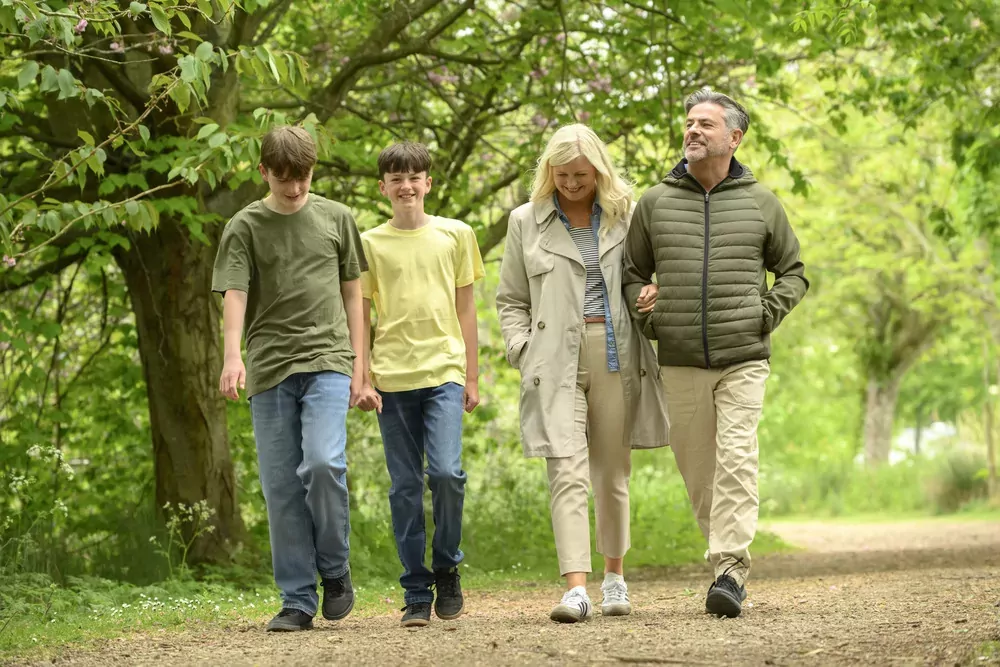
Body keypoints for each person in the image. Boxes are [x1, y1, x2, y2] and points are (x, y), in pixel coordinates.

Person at [624, 89, 809, 618]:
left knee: (736, 457)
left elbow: (794, 272)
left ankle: (729, 569)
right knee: (699, 470)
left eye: (705, 123)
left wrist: (764, 314)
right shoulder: (655, 203)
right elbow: (631, 273)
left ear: (735, 136)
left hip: (743, 356)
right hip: (679, 357)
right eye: (689, 123)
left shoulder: (761, 202)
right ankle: (724, 557)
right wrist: (647, 314)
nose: (693, 131)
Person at [496, 124, 670, 623]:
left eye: (581, 174)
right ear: (549, 173)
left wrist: (651, 297)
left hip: (616, 353)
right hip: (553, 360)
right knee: (565, 471)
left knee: (612, 474)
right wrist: (522, 349)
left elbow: (647, 276)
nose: (571, 183)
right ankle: (576, 587)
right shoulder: (525, 221)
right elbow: (510, 299)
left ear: (599, 171)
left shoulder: (627, 216)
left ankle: (615, 578)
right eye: (563, 174)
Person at [212, 125, 366, 631]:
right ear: (264, 173)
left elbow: (353, 296)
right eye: (283, 180)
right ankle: (297, 599)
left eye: (301, 179)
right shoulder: (244, 225)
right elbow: (234, 293)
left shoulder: (337, 218)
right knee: (281, 486)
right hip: (270, 364)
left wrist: (361, 366)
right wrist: (232, 357)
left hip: (327, 359)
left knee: (323, 463)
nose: (294, 189)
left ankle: (335, 568)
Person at [356, 141, 484, 628]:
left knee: (447, 474)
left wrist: (471, 375)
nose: (406, 186)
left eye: (415, 177)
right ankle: (415, 589)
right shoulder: (370, 243)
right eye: (396, 178)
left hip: (444, 374)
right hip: (391, 380)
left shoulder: (456, 234)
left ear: (428, 182)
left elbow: (467, 307)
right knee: (406, 487)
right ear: (383, 187)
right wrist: (362, 375)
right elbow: (361, 316)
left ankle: (447, 565)